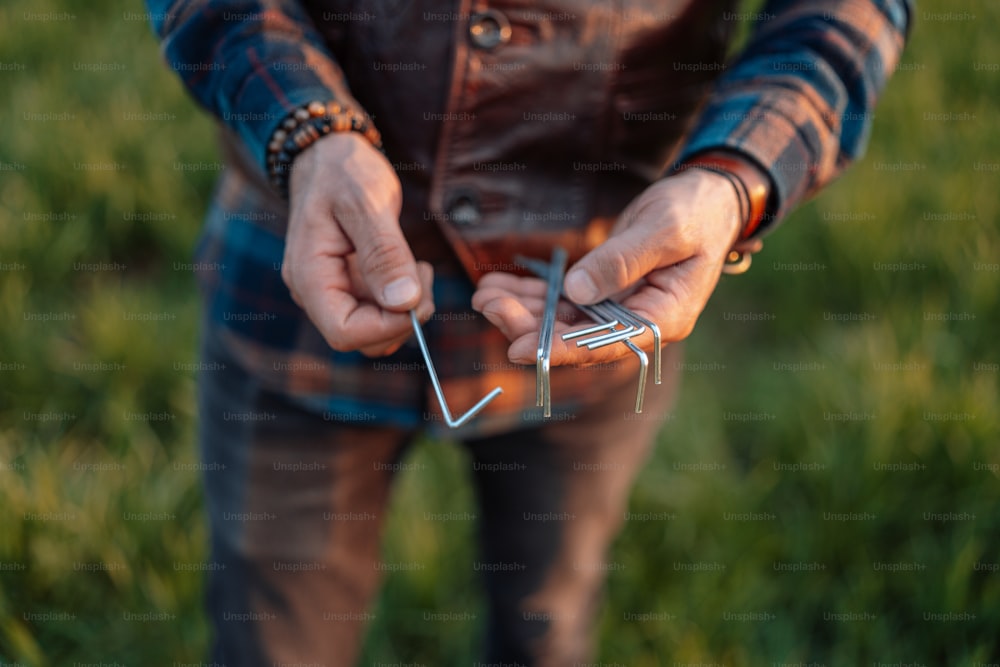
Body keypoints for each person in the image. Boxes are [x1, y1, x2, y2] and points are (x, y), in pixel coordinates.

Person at [147, 1, 912, 664]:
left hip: (597, 301)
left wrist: (733, 178)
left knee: (547, 616)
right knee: (274, 629)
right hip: (298, 269)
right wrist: (307, 134)